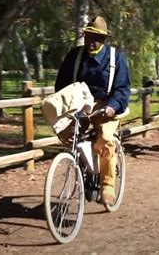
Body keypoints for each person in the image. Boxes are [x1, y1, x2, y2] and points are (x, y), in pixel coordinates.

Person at [55, 16, 131, 205]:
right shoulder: (74, 56)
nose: (92, 41)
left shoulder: (115, 58)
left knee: (105, 139)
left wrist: (113, 107)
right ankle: (82, 168)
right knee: (67, 133)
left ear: (104, 39)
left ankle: (107, 186)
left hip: (105, 105)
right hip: (79, 104)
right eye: (89, 36)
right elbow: (62, 84)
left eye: (97, 38)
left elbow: (123, 89)